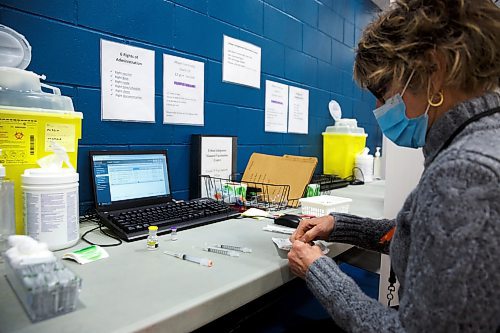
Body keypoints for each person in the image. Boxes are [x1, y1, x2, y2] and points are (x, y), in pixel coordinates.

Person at [288, 0, 500, 331]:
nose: (377, 106)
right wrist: (341, 224)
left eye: (382, 90)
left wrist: (318, 270)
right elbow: (426, 237)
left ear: (435, 68)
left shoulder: (466, 173)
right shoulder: (481, 141)